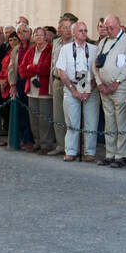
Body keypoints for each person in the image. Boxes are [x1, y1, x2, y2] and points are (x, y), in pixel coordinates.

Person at [93, 14, 126, 167]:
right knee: (109, 122)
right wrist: (100, 84)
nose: (108, 31)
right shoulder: (103, 41)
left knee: (122, 121)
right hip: (104, 89)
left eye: (111, 28)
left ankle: (121, 155)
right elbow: (95, 64)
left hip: (120, 88)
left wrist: (116, 83)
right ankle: (109, 154)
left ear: (119, 25)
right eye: (106, 28)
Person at [56, 21, 100, 161]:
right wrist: (73, 91)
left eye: (85, 30)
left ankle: (89, 152)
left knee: (91, 121)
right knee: (72, 121)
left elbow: (98, 72)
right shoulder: (66, 49)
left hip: (89, 84)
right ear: (74, 33)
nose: (83, 33)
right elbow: (61, 71)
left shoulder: (94, 49)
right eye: (80, 30)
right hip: (72, 85)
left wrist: (89, 89)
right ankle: (71, 151)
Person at [18, 27, 53, 152]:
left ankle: (46, 144)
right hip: (31, 90)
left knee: (44, 119)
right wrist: (32, 68)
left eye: (41, 35)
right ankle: (37, 143)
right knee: (34, 120)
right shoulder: (31, 50)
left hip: (44, 90)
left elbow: (46, 68)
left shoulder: (50, 50)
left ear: (45, 36)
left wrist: (31, 67)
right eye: (36, 35)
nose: (38, 37)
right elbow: (22, 70)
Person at [47, 17, 75, 156]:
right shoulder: (56, 43)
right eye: (64, 27)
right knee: (58, 116)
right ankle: (60, 146)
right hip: (57, 81)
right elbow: (53, 64)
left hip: (71, 82)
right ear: (59, 29)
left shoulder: (76, 43)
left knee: (71, 116)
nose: (67, 30)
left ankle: (72, 147)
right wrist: (50, 85)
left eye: (70, 27)